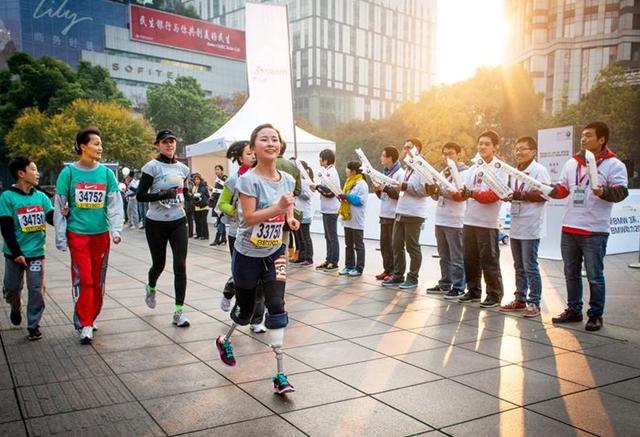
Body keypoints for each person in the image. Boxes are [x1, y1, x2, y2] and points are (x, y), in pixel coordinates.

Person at [216, 123, 299, 395]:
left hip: (275, 251)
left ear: (280, 146)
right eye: (264, 139)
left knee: (276, 305)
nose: (271, 143)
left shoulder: (287, 179)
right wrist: (278, 208)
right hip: (247, 254)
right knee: (246, 311)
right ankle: (224, 339)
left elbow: (288, 209)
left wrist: (291, 219)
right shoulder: (247, 180)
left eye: (275, 139)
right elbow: (249, 218)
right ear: (253, 148)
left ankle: (280, 375)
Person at [549, 122, 628, 331]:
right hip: (569, 227)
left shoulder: (614, 165)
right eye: (582, 136)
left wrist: (604, 192)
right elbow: (563, 189)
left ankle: (595, 315)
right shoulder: (572, 163)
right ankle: (574, 310)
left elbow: (621, 192)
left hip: (594, 230)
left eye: (588, 136)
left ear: (601, 140)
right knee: (570, 272)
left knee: (594, 275)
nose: (583, 139)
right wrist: (547, 190)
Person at [54, 127, 124, 343]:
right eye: (95, 143)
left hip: (100, 236)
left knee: (97, 280)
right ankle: (84, 323)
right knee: (84, 278)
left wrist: (116, 229)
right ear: (82, 146)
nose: (99, 148)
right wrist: (61, 236)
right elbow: (59, 205)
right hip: (78, 235)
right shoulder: (68, 173)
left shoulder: (106, 174)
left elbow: (114, 204)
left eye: (100, 144)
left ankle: (91, 317)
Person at [136, 129, 191, 327]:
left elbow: (183, 190)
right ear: (157, 145)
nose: (169, 145)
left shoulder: (183, 169)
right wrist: (160, 195)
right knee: (158, 264)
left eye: (172, 142)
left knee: (180, 265)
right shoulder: (152, 167)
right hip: (156, 223)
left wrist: (189, 195)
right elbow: (140, 195)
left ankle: (179, 311)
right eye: (165, 142)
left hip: (178, 220)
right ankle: (151, 287)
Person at [0, 157, 54, 341]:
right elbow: (6, 228)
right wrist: (16, 253)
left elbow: (51, 217)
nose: (37, 173)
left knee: (36, 289)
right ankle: (15, 306)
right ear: (21, 174)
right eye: (33, 169)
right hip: (14, 254)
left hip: (36, 253)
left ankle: (33, 325)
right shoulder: (7, 197)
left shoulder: (40, 196)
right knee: (11, 289)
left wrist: (64, 214)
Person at [217, 141, 266, 333]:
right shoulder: (233, 180)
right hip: (237, 233)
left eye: (254, 153)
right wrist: (238, 211)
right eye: (249, 154)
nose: (253, 156)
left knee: (261, 279)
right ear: (240, 158)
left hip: (260, 234)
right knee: (242, 276)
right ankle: (229, 292)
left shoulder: (263, 176)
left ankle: (257, 319)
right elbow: (222, 204)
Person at [453, 130, 506, 307]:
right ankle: (473, 291)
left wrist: (471, 193)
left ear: (495, 147)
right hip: (469, 220)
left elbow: (494, 195)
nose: (482, 147)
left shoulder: (499, 168)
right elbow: (464, 191)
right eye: (480, 143)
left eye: (487, 144)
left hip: (488, 223)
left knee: (489, 260)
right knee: (470, 259)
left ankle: (494, 294)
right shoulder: (474, 167)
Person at [499, 137, 550, 317]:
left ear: (533, 151)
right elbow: (513, 193)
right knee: (518, 265)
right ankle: (520, 299)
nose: (519, 152)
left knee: (530, 265)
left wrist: (518, 195)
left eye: (523, 149)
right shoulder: (514, 171)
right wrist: (507, 195)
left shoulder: (539, 170)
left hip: (531, 224)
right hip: (516, 224)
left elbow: (544, 194)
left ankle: (534, 302)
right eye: (517, 149)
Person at [382, 138, 430, 290]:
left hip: (414, 212)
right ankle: (398, 275)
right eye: (405, 147)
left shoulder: (422, 167)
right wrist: (390, 188)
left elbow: (424, 190)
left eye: (409, 147)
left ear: (418, 149)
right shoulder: (408, 167)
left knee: (412, 247)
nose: (406, 150)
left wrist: (403, 186)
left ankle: (413, 277)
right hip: (401, 210)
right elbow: (402, 191)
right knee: (396, 245)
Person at [425, 143, 469, 299]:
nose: (447, 157)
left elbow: (460, 196)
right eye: (444, 154)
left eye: (450, 153)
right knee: (444, 255)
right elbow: (437, 196)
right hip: (441, 218)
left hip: (456, 220)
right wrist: (432, 191)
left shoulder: (464, 173)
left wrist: (442, 191)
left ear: (458, 155)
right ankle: (445, 282)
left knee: (457, 255)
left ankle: (458, 286)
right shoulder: (443, 172)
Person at [372, 146, 405, 282]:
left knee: (394, 246)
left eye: (383, 155)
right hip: (384, 213)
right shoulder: (385, 173)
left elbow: (398, 195)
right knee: (384, 245)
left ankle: (396, 272)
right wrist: (377, 189)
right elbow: (382, 195)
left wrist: (384, 187)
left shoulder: (399, 173)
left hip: (394, 214)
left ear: (390, 158)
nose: (381, 158)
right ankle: (387, 269)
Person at [311, 149, 341, 272]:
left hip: (331, 209)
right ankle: (329, 259)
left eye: (321, 158)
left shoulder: (331, 173)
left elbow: (331, 192)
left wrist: (317, 187)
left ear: (326, 160)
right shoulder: (327, 172)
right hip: (326, 209)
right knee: (328, 236)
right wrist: (318, 187)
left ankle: (334, 261)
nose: (319, 160)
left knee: (332, 236)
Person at [337, 161, 368, 276]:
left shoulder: (361, 183)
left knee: (358, 244)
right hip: (348, 218)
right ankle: (349, 265)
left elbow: (361, 201)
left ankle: (359, 268)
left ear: (353, 171)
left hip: (357, 218)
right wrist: (342, 197)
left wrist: (347, 197)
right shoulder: (348, 182)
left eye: (347, 168)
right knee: (348, 244)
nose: (346, 170)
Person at [294, 160, 315, 267]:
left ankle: (309, 257)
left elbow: (307, 195)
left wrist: (298, 190)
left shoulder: (307, 182)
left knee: (306, 237)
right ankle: (301, 256)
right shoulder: (299, 181)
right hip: (298, 213)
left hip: (305, 213)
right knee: (299, 237)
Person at [210, 165, 228, 246]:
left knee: (220, 221)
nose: (216, 171)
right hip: (216, 203)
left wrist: (214, 190)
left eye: (218, 169)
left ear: (222, 170)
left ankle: (217, 239)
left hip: (222, 203)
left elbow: (226, 190)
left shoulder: (224, 179)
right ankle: (223, 238)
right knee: (221, 221)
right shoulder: (217, 180)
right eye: (215, 169)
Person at [191, 173, 211, 241]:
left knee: (203, 221)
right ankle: (199, 234)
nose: (196, 180)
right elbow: (192, 194)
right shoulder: (194, 186)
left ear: (200, 179)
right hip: (197, 206)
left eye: (197, 179)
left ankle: (205, 235)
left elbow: (200, 193)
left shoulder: (203, 186)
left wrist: (193, 195)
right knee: (197, 221)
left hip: (204, 206)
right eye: (195, 179)